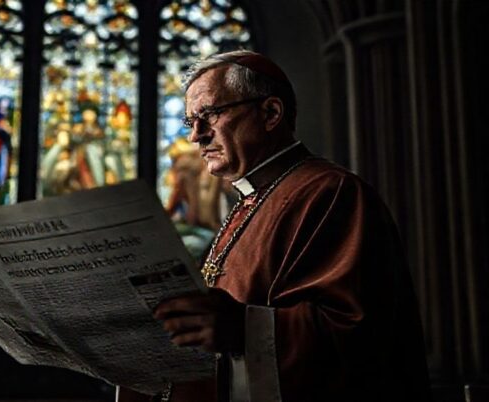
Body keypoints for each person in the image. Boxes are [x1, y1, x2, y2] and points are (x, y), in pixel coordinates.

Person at [117, 50, 431, 401]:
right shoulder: (251, 200)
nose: (196, 136)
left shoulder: (331, 192)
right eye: (191, 122)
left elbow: (361, 335)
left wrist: (242, 329)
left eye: (209, 114)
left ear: (270, 113)